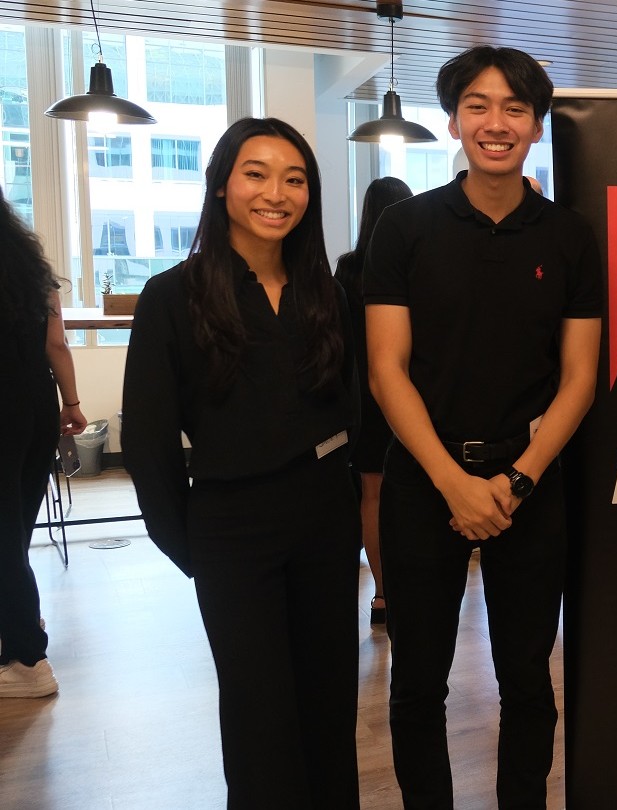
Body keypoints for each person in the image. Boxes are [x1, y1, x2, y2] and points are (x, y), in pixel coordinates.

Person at [364, 45, 601, 809]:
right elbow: (386, 372)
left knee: (529, 681)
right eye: (478, 106)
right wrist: (452, 484)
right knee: (418, 683)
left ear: (535, 127)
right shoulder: (404, 229)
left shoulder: (569, 236)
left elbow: (579, 379)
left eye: (514, 110)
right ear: (453, 121)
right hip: (423, 482)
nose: (495, 123)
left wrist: (519, 478)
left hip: (528, 483)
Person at [122, 117, 361, 808]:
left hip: (323, 516)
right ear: (222, 185)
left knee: (327, 700)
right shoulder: (174, 295)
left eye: (294, 179)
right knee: (259, 712)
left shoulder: (327, 293)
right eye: (256, 174)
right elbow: (149, 442)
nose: (276, 193)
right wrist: (190, 544)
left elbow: (350, 414)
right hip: (229, 521)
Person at [0, 189, 87, 699]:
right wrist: (71, 403)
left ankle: (29, 658)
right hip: (34, 407)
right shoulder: (31, 271)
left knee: (5, 537)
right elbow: (57, 343)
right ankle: (20, 636)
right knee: (15, 530)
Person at [336, 175, 412, 626]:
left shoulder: (346, 269)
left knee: (372, 494)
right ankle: (410, 587)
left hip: (361, 397)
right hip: (410, 393)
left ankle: (382, 593)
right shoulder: (414, 261)